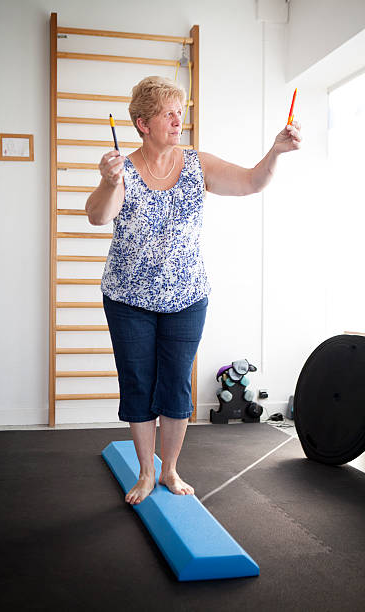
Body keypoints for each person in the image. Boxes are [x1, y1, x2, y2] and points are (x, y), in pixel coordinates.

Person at [85, 76, 302, 506]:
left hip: (187, 296)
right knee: (138, 382)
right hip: (129, 298)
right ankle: (146, 472)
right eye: (169, 113)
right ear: (142, 123)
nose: (178, 119)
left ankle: (169, 470)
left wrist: (276, 152)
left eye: (180, 111)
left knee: (176, 386)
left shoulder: (197, 164)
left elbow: (252, 182)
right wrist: (109, 182)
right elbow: (97, 215)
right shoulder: (123, 169)